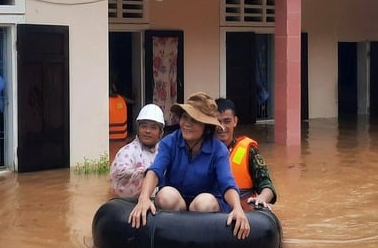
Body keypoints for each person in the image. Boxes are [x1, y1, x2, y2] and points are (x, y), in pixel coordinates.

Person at [128, 92, 250, 239]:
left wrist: (237, 208)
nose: (187, 124)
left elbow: (227, 182)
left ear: (207, 126)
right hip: (176, 204)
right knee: (166, 195)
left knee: (204, 202)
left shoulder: (219, 150)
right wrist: (144, 198)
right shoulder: (170, 142)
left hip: (207, 206)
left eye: (194, 120)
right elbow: (156, 170)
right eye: (185, 117)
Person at [215, 98, 278, 210]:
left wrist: (262, 198)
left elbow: (267, 185)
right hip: (213, 209)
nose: (222, 127)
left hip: (244, 210)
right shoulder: (202, 150)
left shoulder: (249, 151)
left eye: (227, 121)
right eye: (217, 122)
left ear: (235, 121)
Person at [109, 104, 166, 198]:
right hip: (133, 203)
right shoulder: (127, 151)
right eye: (144, 126)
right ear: (138, 129)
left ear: (161, 133)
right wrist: (141, 174)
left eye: (153, 128)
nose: (147, 131)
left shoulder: (166, 152)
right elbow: (117, 176)